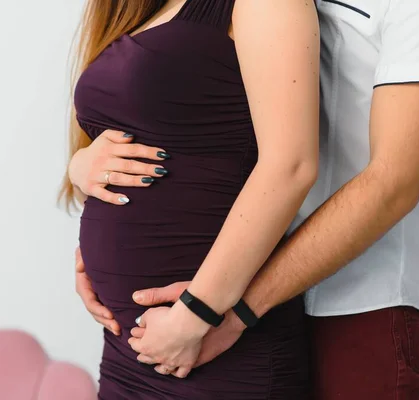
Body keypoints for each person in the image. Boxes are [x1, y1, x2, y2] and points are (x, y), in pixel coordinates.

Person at [72, 0, 419, 398]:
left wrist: (222, 311)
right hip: (221, 287)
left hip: (353, 300)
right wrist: (85, 172)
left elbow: (392, 182)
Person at [62, 0, 320, 398]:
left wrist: (195, 313)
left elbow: (292, 166)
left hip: (218, 346)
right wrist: (81, 170)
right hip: (129, 351)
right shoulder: (142, 8)